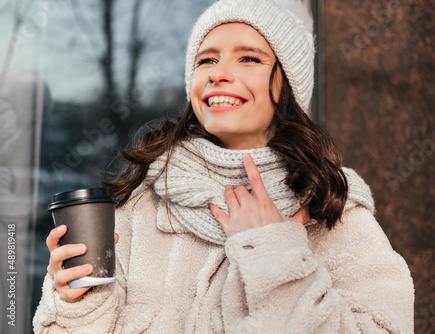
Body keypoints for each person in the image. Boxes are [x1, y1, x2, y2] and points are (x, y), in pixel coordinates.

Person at [33, 0, 414, 332]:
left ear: (289, 86)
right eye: (206, 60)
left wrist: (276, 252)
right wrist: (75, 303)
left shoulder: (330, 205)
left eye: (249, 58)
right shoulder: (144, 203)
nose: (218, 72)